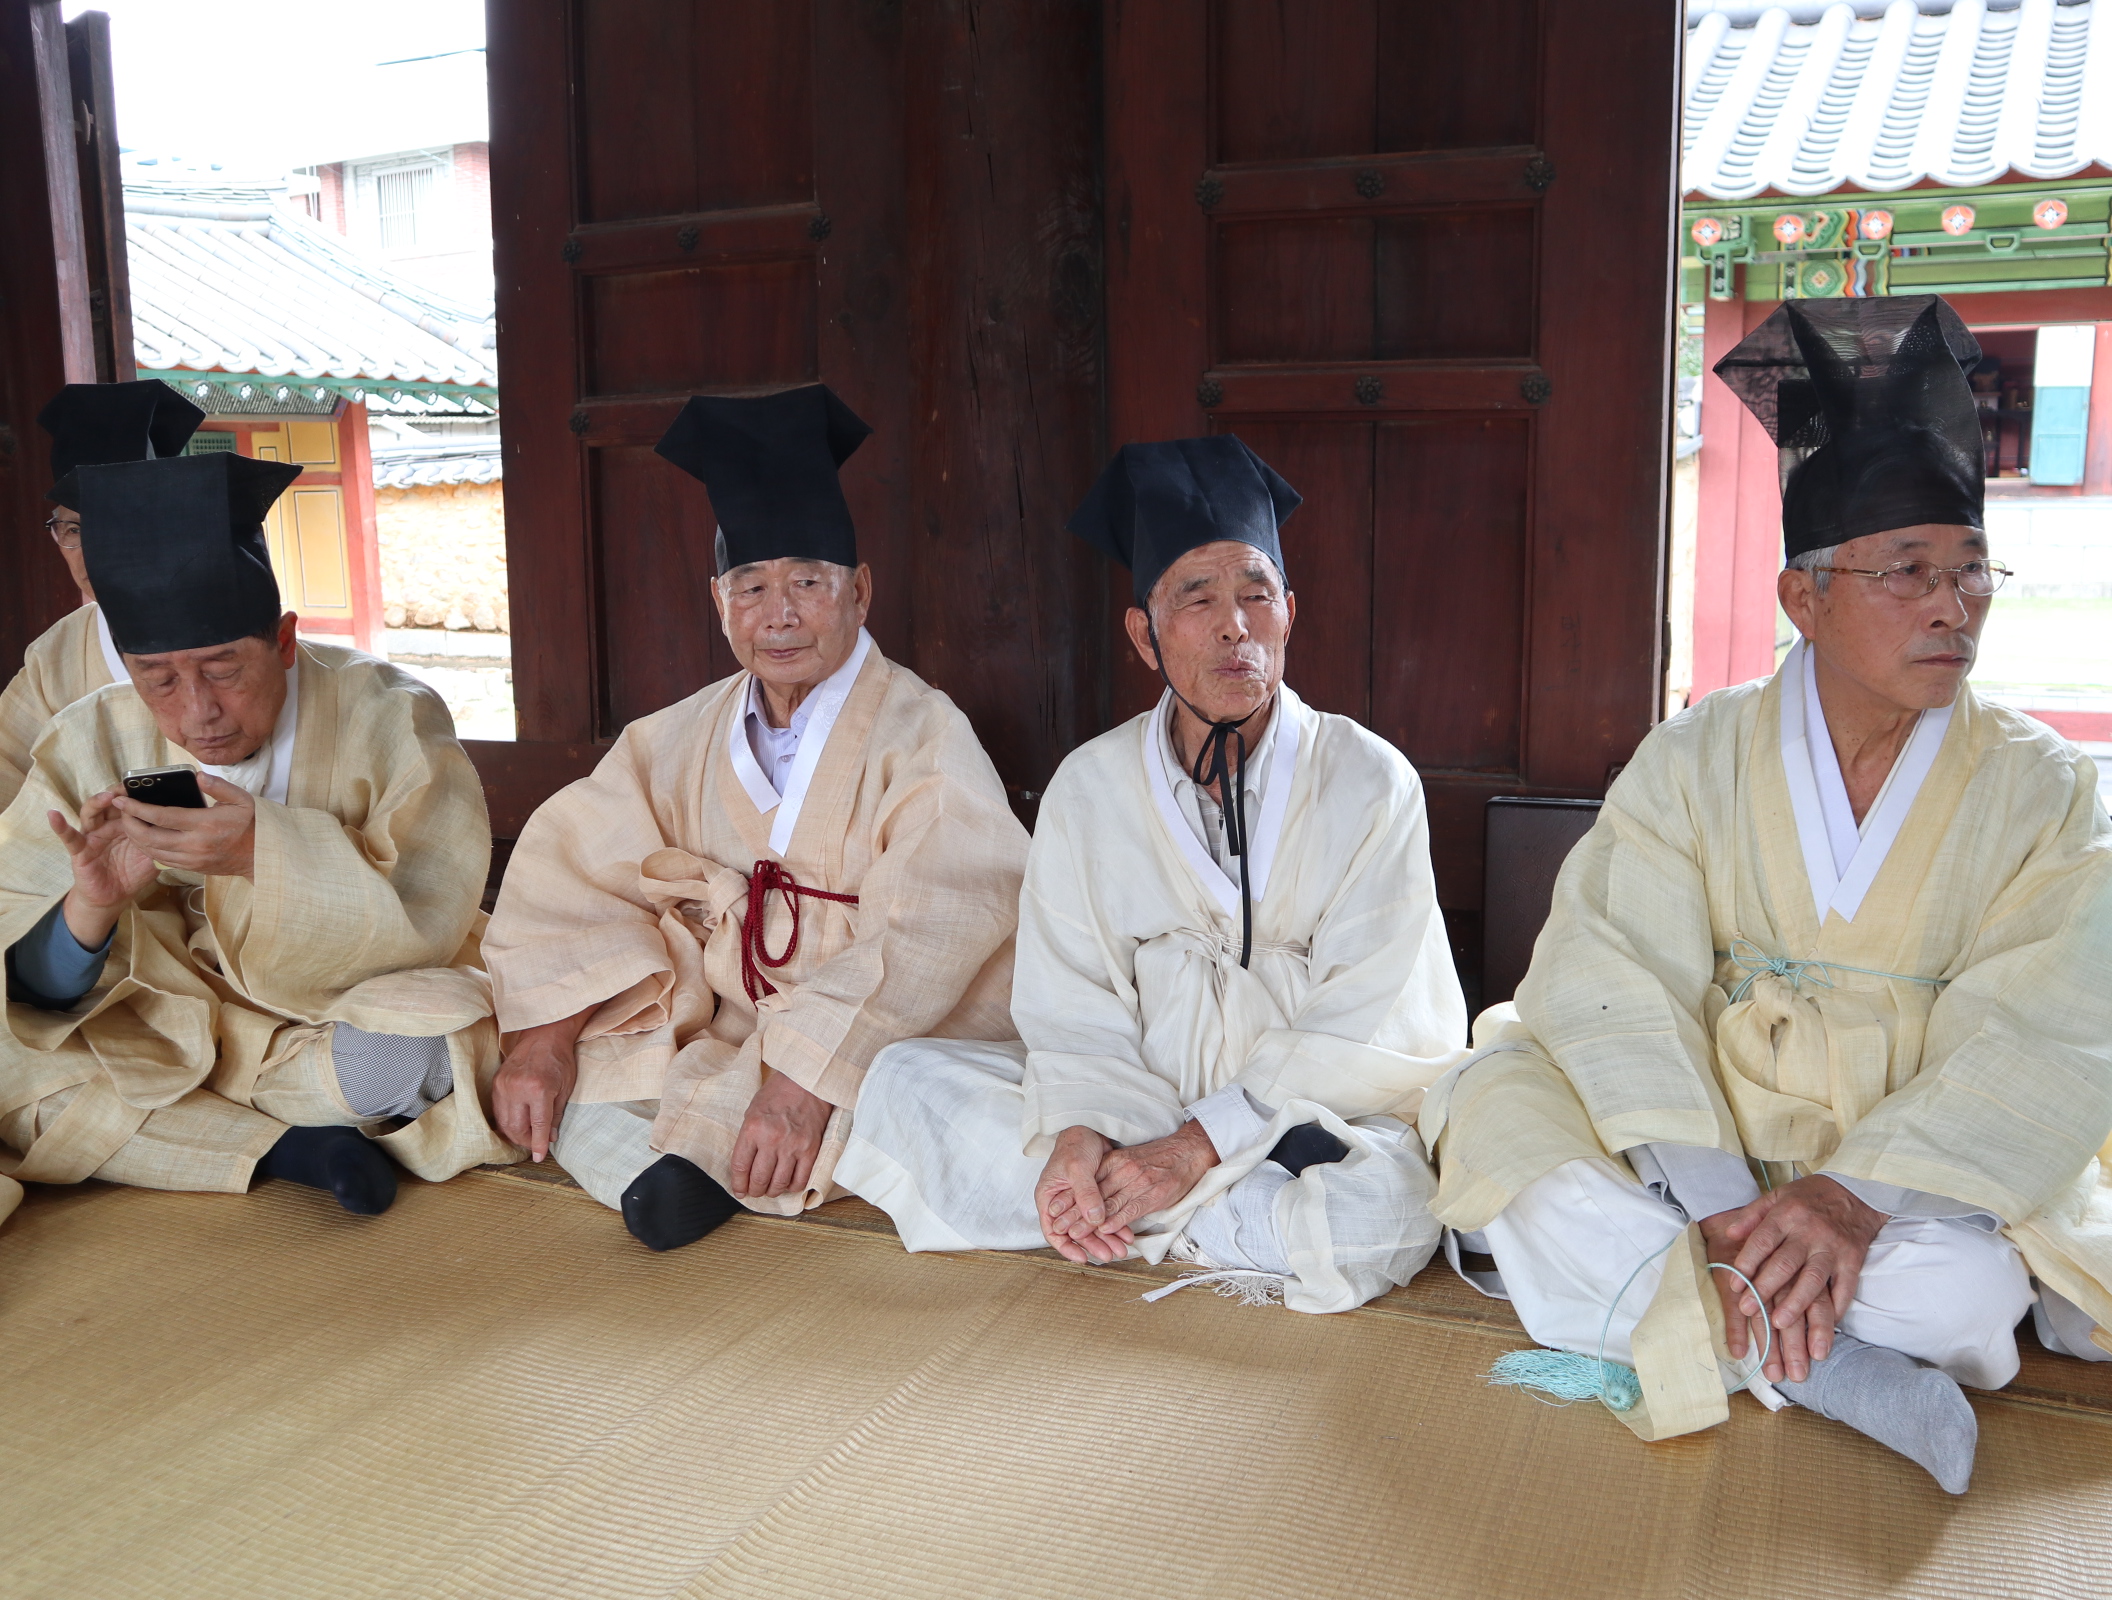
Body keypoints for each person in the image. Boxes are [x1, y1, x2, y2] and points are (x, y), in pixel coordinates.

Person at [1424, 296, 2112, 1493]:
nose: (1953, 607)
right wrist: (1723, 1206)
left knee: (1966, 1287)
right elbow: (1614, 971)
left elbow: (2045, 1028)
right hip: (1701, 1153)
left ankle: (1701, 1315)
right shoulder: (1696, 754)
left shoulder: (2045, 788)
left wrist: (1852, 1197)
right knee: (1491, 1111)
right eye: (1909, 571)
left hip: (1902, 1174)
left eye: (1972, 572)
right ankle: (1819, 1358)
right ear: (1804, 600)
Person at [838, 436, 1469, 1313]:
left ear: (1290, 613)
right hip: (1138, 1105)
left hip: (1304, 1115)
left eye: (1256, 595)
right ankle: (1203, 1215)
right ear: (1144, 634)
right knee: (903, 1081)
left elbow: (1372, 1014)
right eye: (1197, 598)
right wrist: (1080, 1133)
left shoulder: (1370, 779)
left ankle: (1140, 1211)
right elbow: (1072, 1004)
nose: (1234, 625)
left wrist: (1199, 1145)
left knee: (1383, 1215)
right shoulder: (1089, 785)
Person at [482, 384, 1027, 1252]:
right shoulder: (678, 735)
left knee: (929, 1107)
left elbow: (934, 928)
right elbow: (578, 874)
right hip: (727, 1021)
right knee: (562, 1073)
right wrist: (544, 1041)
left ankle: (736, 1149)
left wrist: (802, 1080)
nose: (780, 614)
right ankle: (724, 1155)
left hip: (882, 1027)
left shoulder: (925, 735)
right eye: (752, 586)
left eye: (808, 582)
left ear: (861, 592)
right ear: (718, 600)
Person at [0, 452, 514, 1220]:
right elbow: (32, 988)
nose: (198, 710)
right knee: (11, 1065)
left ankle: (205, 1133)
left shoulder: (387, 713)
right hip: (152, 1022)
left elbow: (429, 920)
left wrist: (260, 855)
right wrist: (92, 908)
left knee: (426, 1041)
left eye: (223, 670)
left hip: (323, 1018)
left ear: (282, 640)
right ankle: (285, 1149)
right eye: (159, 680)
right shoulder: (92, 736)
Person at [0, 382, 206, 811]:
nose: (96, 553)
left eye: (119, 525)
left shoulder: (233, 630)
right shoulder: (54, 657)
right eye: (74, 529)